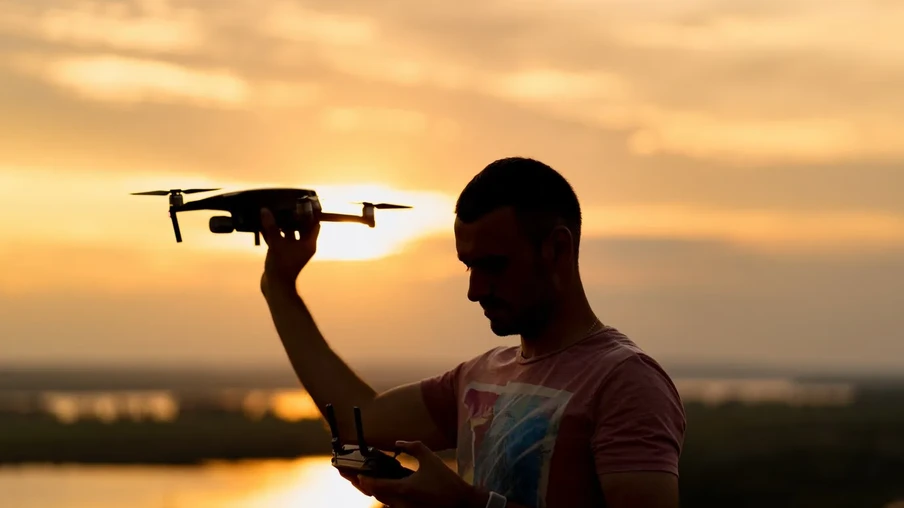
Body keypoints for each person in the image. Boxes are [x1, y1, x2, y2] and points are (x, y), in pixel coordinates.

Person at [259, 157, 687, 508]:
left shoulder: (625, 382)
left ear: (557, 249)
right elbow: (357, 418)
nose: (474, 290)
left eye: (493, 265)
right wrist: (279, 287)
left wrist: (466, 505)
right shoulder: (479, 378)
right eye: (468, 265)